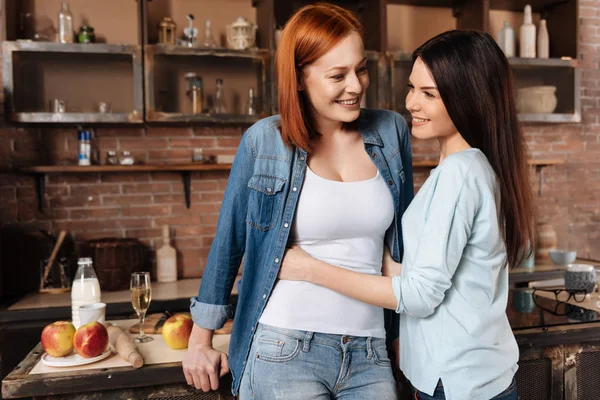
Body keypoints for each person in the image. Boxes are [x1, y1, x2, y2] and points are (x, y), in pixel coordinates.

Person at [278, 30, 535, 400]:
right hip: (468, 376)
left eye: (428, 94)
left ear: (468, 97)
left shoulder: (459, 175)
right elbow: (430, 274)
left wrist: (309, 268)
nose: (411, 103)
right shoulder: (467, 167)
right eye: (412, 88)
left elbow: (419, 295)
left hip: (459, 382)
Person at [182, 3, 414, 399]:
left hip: (370, 351)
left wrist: (404, 336)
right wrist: (199, 341)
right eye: (337, 75)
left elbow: (402, 246)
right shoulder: (265, 140)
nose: (356, 86)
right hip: (284, 348)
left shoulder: (391, 131)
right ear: (300, 79)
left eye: (360, 69)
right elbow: (229, 241)